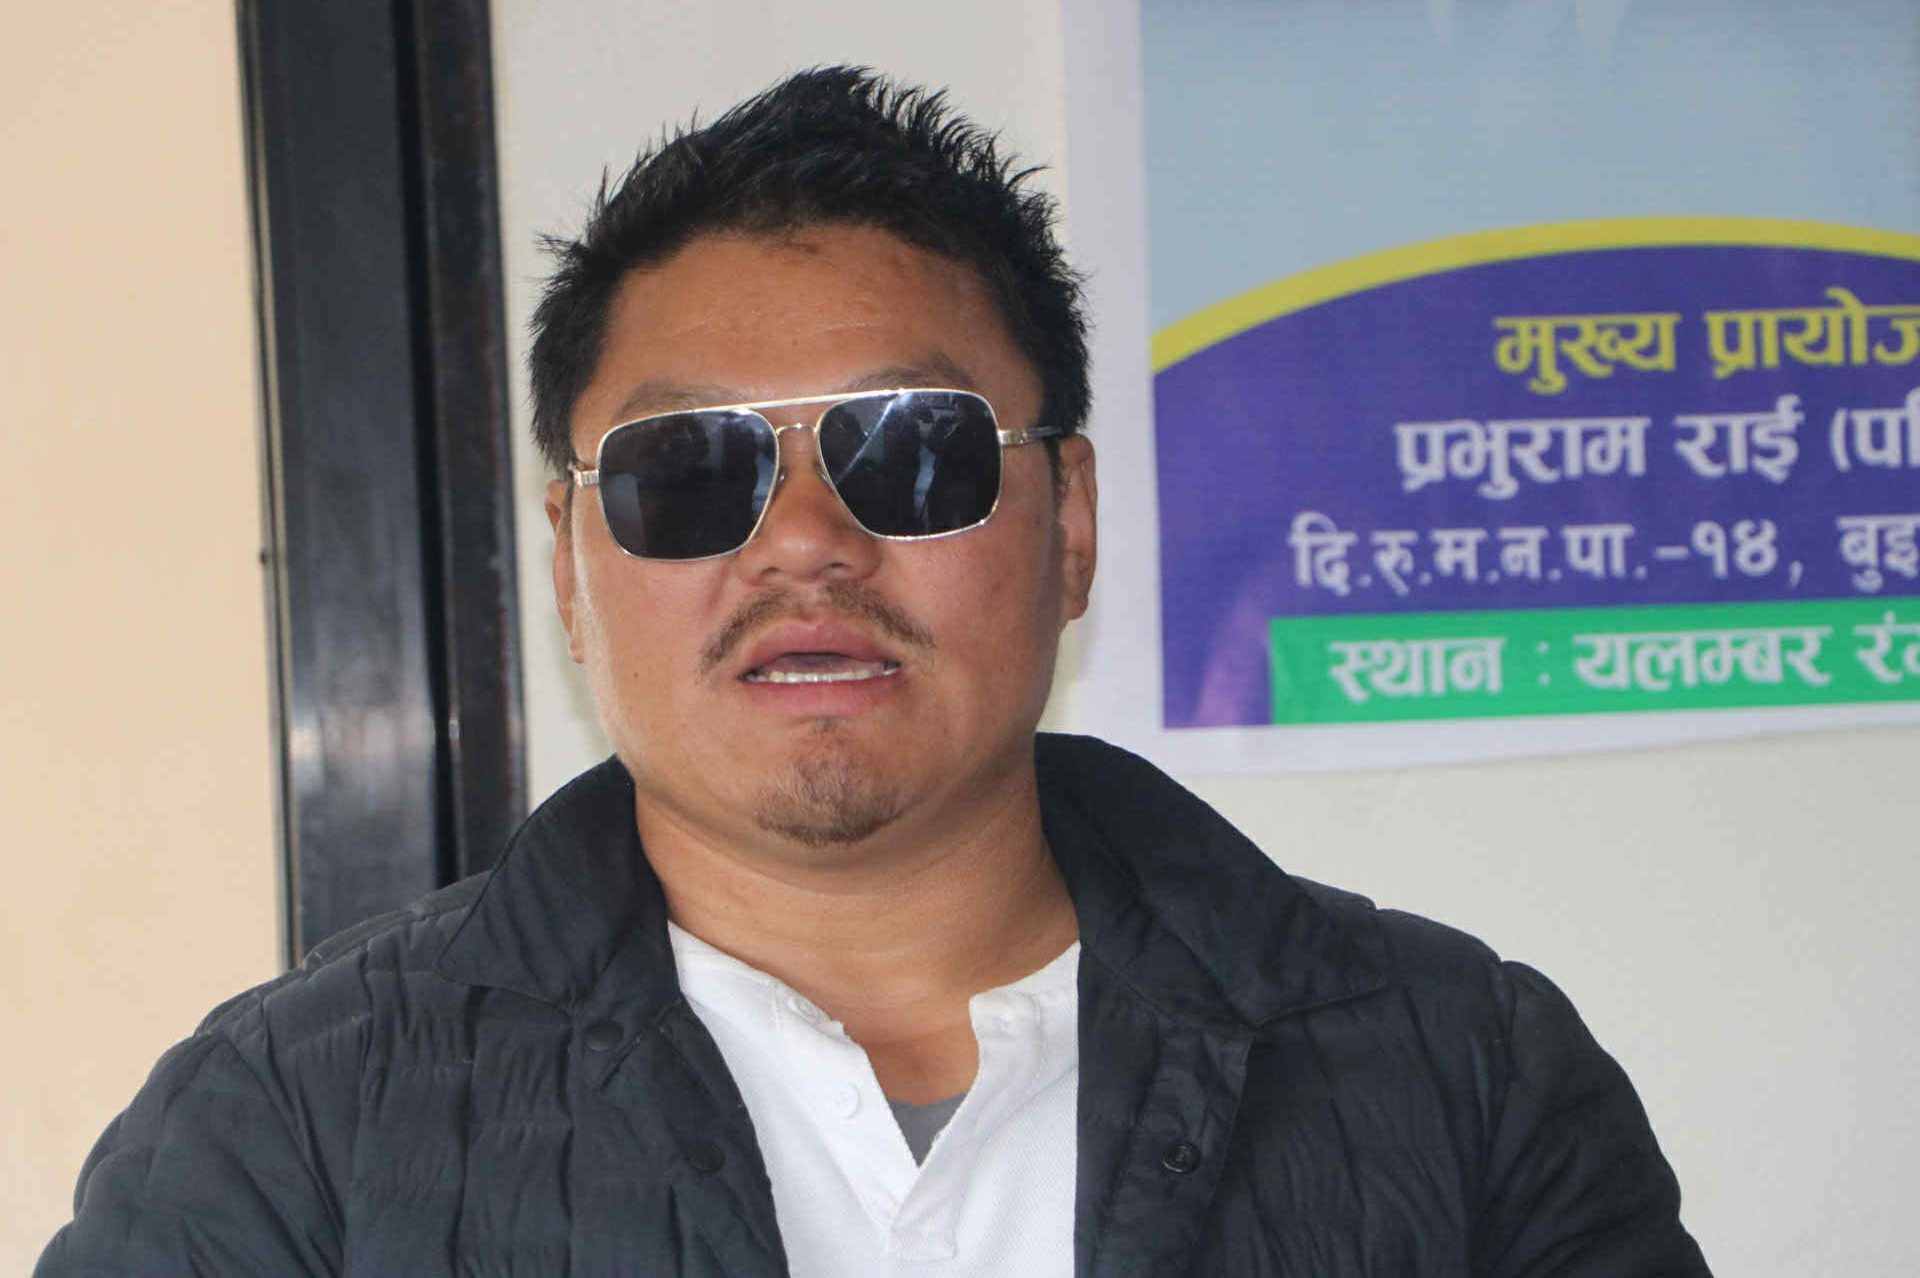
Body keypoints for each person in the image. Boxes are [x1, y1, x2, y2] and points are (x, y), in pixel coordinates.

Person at [38, 66, 1709, 1276]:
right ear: (569, 563)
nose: (805, 543)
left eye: (912, 450)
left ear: (1070, 524)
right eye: (689, 469)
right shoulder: (292, 1134)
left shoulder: (1460, 1077)